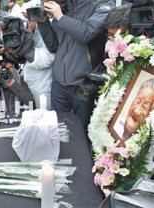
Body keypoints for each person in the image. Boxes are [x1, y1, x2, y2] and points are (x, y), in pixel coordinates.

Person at [43, 0, 114, 132]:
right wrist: (42, 22)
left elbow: (87, 33)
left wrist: (60, 17)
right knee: (58, 131)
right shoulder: (65, 5)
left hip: (83, 83)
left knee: (81, 132)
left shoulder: (102, 4)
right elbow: (53, 46)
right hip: (58, 84)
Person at [0, 59, 35, 127]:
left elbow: (31, 102)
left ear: (14, 67)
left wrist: (14, 85)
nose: (6, 72)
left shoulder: (22, 80)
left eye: (9, 68)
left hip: (22, 122)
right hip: (2, 123)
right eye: (3, 69)